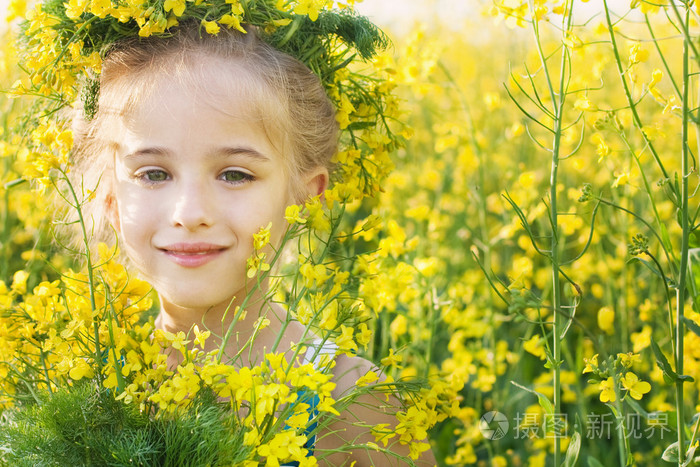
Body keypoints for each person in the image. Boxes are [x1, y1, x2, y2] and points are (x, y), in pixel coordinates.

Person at [66, 19, 436, 467]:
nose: (189, 212)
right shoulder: (83, 388)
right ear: (108, 200)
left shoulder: (353, 401)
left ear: (304, 198)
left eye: (235, 174)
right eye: (154, 174)